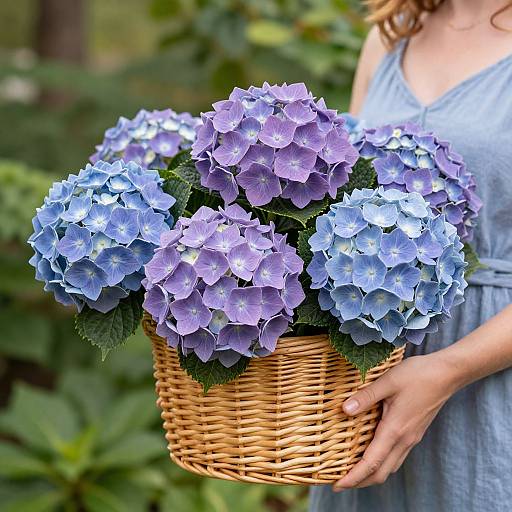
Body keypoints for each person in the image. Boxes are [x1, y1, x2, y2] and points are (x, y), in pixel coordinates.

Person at [309, 1, 512, 511]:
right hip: (369, 374)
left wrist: (447, 371)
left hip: (487, 380)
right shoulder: (390, 33)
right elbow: (339, 201)